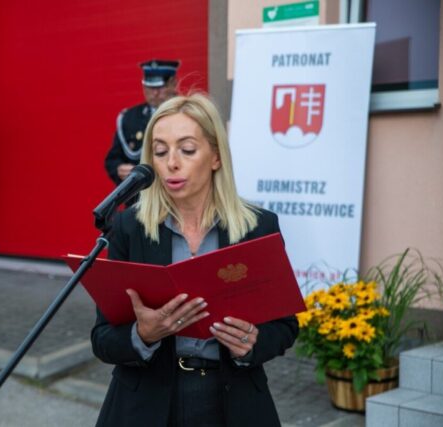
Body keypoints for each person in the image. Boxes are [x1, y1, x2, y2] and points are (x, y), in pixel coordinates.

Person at [91, 93, 298, 427]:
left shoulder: (258, 226)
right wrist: (142, 334)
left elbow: (285, 327)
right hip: (146, 404)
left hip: (233, 402)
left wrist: (252, 343)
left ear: (215, 156)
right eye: (160, 152)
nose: (172, 163)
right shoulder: (129, 227)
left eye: (187, 150)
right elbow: (102, 339)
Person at [104, 59, 180, 187]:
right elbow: (112, 159)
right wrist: (119, 168)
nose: (155, 93)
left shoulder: (187, 114)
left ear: (173, 83)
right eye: (150, 87)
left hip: (174, 190)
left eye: (160, 87)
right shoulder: (129, 117)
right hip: (140, 193)